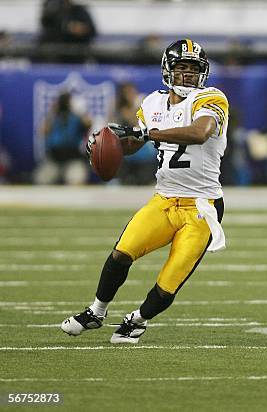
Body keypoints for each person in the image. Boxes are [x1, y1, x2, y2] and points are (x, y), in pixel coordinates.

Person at [61, 39, 228, 344]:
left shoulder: (212, 99)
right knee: (121, 253)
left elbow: (200, 133)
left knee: (168, 283)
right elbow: (132, 144)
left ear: (202, 73)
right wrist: (104, 142)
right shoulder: (152, 103)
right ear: (168, 70)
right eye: (182, 68)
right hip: (164, 199)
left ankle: (137, 320)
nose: (188, 74)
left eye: (193, 69)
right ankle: (97, 311)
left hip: (201, 207)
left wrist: (148, 133)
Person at [34, 92, 91, 185]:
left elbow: (88, 124)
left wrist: (80, 111)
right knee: (41, 181)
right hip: (54, 158)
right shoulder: (54, 118)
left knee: (76, 180)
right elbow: (42, 131)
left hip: (73, 157)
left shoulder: (76, 118)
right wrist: (52, 113)